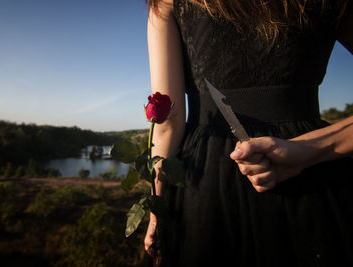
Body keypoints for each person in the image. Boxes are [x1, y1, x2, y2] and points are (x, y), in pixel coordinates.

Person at [143, 0, 353, 266]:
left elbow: (167, 126)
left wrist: (157, 212)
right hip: (317, 176)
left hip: (207, 184)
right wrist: (312, 148)